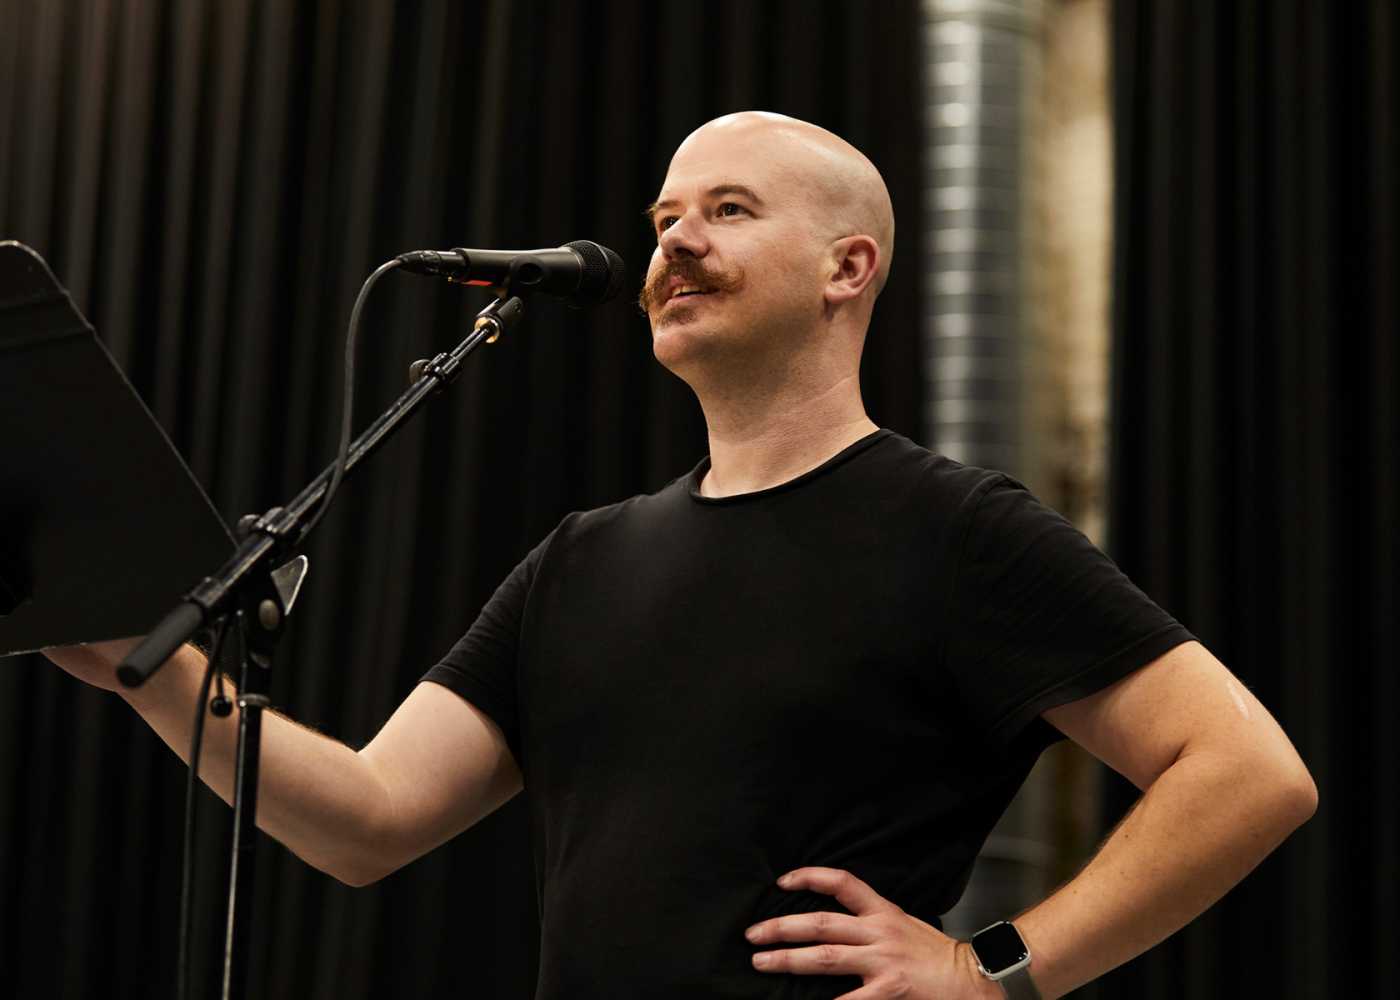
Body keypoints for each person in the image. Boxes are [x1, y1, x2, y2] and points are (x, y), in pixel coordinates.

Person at [46, 112, 1316, 999]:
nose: (671, 243)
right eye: (661, 217)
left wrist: (995, 968)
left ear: (846, 266)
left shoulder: (954, 528)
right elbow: (369, 821)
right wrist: (142, 667)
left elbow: (1247, 769)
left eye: (725, 209)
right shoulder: (581, 560)